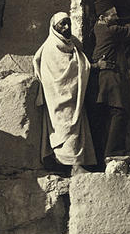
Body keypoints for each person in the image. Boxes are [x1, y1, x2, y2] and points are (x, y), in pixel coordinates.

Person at [33, 12, 96, 175]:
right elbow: (56, 76)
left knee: (75, 126)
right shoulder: (50, 48)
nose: (67, 27)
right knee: (63, 127)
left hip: (74, 94)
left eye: (68, 23)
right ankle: (71, 165)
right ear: (54, 27)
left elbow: (79, 63)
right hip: (58, 96)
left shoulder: (72, 45)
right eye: (62, 24)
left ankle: (74, 164)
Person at [88, 7, 130, 170]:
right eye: (113, 15)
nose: (117, 16)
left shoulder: (99, 29)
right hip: (110, 80)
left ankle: (100, 159)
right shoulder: (109, 31)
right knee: (118, 112)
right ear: (103, 17)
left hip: (103, 80)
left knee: (104, 117)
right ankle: (113, 152)